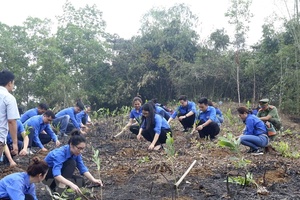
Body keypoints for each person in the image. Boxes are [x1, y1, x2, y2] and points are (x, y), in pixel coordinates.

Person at [44, 130, 103, 194]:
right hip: (48, 176)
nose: (81, 151)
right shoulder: (60, 154)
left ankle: (60, 187)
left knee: (81, 182)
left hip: (60, 175)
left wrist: (93, 179)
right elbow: (56, 174)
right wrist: (71, 184)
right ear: (71, 145)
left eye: (82, 149)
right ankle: (59, 190)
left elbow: (82, 167)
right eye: (79, 148)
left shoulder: (76, 153)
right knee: (71, 163)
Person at [0, 70, 19, 156]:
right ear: (9, 83)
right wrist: (15, 143)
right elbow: (11, 121)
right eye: (13, 83)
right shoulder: (9, 98)